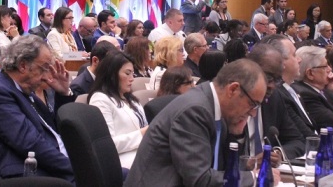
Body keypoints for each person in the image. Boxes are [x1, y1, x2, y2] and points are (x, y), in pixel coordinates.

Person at [125, 59, 270, 187]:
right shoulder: (195, 110)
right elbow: (200, 180)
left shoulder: (217, 107)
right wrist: (256, 177)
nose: (253, 113)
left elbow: (221, 169)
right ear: (232, 89)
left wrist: (236, 135)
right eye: (253, 104)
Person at [0, 35, 75, 182]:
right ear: (23, 66)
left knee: (118, 174)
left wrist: (63, 94)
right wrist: (77, 169)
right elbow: (31, 144)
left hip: (54, 166)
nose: (46, 77)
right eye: (44, 69)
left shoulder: (25, 91)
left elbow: (58, 129)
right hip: (30, 174)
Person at [266, 35, 333, 153]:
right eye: (294, 55)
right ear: (279, 62)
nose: (299, 60)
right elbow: (305, 140)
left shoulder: (294, 90)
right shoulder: (285, 94)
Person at [87, 52, 148, 169]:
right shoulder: (100, 99)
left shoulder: (131, 99)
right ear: (112, 74)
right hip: (122, 161)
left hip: (144, 152)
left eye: (133, 74)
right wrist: (142, 134)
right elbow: (107, 144)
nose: (132, 79)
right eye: (127, 73)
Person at [245, 42, 305, 161]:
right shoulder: (233, 101)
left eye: (277, 80)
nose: (272, 85)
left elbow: (298, 141)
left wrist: (278, 153)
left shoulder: (274, 98)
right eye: (268, 78)